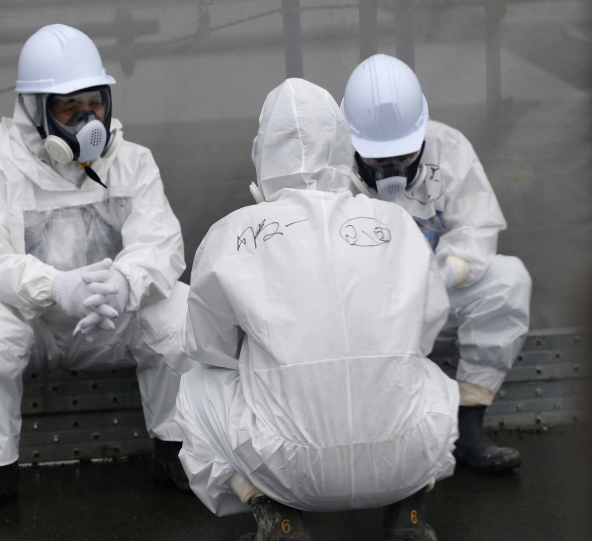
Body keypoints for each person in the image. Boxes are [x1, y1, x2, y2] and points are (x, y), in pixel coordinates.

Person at [176, 78, 458, 541]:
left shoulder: (235, 232)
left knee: (196, 385)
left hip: (285, 464)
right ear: (344, 146)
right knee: (428, 376)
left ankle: (273, 514)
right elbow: (426, 330)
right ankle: (409, 510)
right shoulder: (395, 223)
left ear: (262, 151)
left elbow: (208, 346)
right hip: (402, 455)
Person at [0, 24, 195, 517]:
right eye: (68, 107)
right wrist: (54, 286)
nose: (86, 119)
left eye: (94, 103)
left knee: (181, 312)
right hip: (37, 327)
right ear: (36, 112)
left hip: (115, 319)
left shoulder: (134, 163)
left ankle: (175, 452)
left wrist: (124, 281)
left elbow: (160, 243)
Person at [340, 54, 532, 473]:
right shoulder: (328, 167)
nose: (391, 168)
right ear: (350, 140)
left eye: (404, 155)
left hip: (431, 301)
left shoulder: (450, 148)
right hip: (358, 316)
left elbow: (478, 229)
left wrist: (443, 274)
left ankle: (469, 425)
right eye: (376, 159)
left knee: (507, 277)